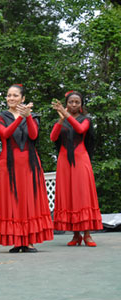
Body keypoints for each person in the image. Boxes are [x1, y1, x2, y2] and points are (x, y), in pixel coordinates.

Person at [0, 84, 53, 253]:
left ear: (23, 98)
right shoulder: (0, 116)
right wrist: (21, 117)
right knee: (12, 201)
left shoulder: (32, 116)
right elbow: (5, 134)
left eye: (15, 95)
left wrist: (27, 117)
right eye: (8, 95)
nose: (11, 98)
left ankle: (30, 241)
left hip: (29, 163)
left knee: (29, 200)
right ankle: (16, 240)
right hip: (8, 164)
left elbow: (33, 135)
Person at [51, 91, 102, 246]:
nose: (73, 104)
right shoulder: (63, 119)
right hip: (64, 161)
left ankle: (87, 235)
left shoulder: (86, 119)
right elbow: (53, 137)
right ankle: (75, 235)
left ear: (81, 105)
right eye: (71, 102)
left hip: (81, 160)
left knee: (83, 194)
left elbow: (80, 129)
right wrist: (61, 119)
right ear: (67, 103)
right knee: (69, 195)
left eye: (77, 102)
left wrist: (65, 114)